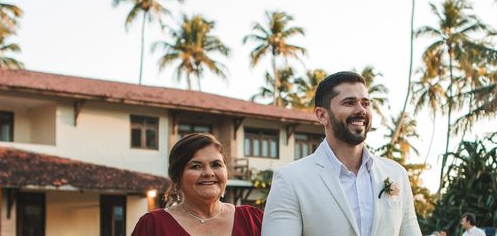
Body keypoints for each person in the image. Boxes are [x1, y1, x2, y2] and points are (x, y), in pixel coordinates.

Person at [261, 71, 422, 236]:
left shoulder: (396, 173)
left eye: (366, 104)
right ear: (322, 115)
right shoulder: (290, 179)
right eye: (349, 103)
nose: (361, 110)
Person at [132, 133, 263, 236]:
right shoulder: (152, 226)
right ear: (177, 177)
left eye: (216, 164)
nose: (208, 173)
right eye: (196, 166)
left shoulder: (252, 220)